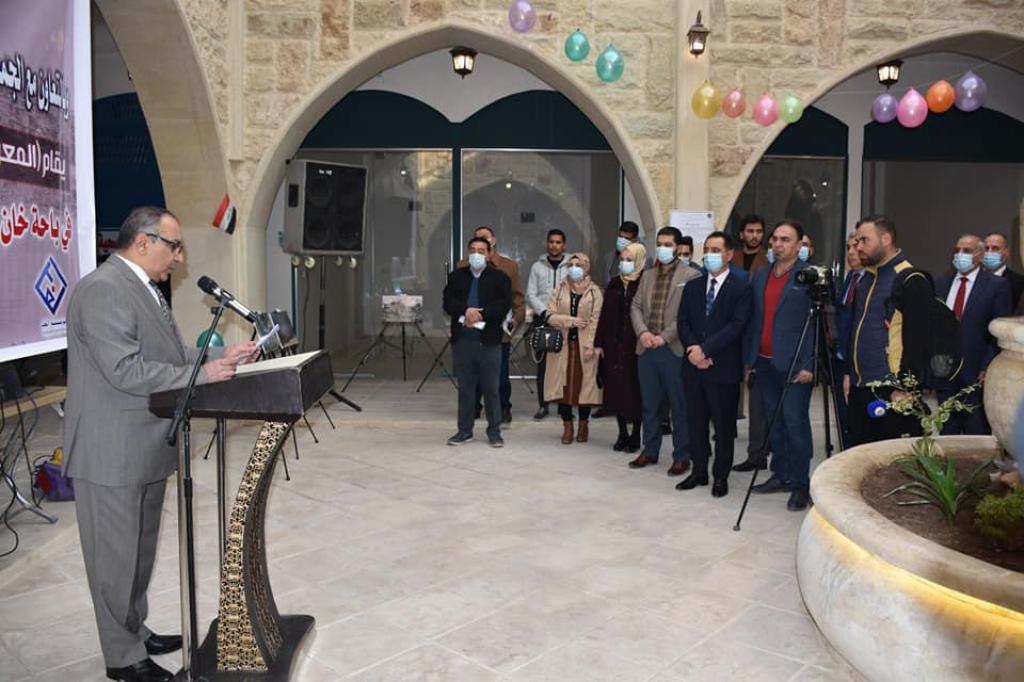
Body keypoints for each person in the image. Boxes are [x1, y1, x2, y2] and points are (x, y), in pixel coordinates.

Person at [64, 207, 255, 682]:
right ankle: (122, 658)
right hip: (111, 450)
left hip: (144, 445)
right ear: (143, 242)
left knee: (138, 553)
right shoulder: (103, 290)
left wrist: (218, 356)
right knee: (114, 559)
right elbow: (125, 370)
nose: (180, 257)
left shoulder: (143, 288)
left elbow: (168, 356)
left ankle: (134, 629)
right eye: (174, 246)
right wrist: (203, 375)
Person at [743, 220, 816, 511]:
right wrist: (750, 359)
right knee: (775, 424)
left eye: (785, 239)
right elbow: (754, 319)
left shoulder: (808, 276)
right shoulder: (761, 274)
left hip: (795, 364)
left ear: (799, 245)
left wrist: (809, 364)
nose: (777, 244)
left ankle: (800, 484)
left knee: (795, 424)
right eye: (775, 239)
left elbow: (817, 325)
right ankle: (781, 474)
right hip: (764, 361)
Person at [677, 232, 752, 498]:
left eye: (716, 250)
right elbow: (683, 322)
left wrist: (706, 350)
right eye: (707, 249)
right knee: (695, 423)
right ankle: (699, 471)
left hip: (723, 368)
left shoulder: (742, 288)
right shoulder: (693, 286)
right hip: (693, 366)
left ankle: (721, 476)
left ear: (729, 255)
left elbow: (736, 326)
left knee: (723, 427)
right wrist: (694, 350)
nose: (709, 255)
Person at [845, 215, 932, 446]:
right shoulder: (867, 279)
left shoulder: (910, 279)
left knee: (892, 459)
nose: (858, 247)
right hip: (861, 386)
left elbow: (919, 340)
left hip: (893, 390)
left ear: (886, 239)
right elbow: (857, 331)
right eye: (857, 242)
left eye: (864, 240)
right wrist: (849, 374)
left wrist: (905, 387)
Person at [628, 226, 700, 475]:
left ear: (678, 247)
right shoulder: (647, 275)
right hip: (646, 348)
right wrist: (643, 333)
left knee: (679, 406)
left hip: (673, 350)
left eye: (668, 245)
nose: (663, 248)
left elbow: (687, 315)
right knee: (650, 405)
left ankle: (682, 456)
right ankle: (650, 450)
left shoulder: (691, 275)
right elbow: (636, 306)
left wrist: (664, 337)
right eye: (659, 244)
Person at [935, 234, 1013, 434]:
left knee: (976, 431)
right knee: (946, 431)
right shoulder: (941, 283)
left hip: (976, 373)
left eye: (967, 251)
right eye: (957, 250)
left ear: (980, 255)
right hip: (944, 371)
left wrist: (988, 366)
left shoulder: (996, 285)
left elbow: (999, 331)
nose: (960, 255)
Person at [443, 236, 512, 447]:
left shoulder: (500, 278)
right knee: (465, 389)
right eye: (472, 250)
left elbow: (504, 304)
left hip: (489, 342)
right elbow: (448, 302)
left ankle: (494, 432)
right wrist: (466, 311)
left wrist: (481, 314)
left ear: (489, 254)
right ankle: (464, 431)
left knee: (491, 388)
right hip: (463, 340)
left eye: (481, 251)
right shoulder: (456, 277)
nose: (476, 254)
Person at [459, 226, 524, 424]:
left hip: (498, 328)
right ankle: (473, 407)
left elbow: (517, 297)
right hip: (471, 329)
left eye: (485, 238)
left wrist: (515, 320)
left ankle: (503, 408)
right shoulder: (463, 265)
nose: (481, 243)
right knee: (472, 371)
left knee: (499, 372)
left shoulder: (508, 266)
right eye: (477, 239)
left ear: (493, 241)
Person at [543, 253, 604, 444]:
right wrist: (571, 321)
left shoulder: (595, 292)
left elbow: (597, 320)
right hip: (562, 347)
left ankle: (583, 425)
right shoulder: (559, 289)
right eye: (571, 265)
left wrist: (591, 345)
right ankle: (567, 425)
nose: (574, 268)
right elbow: (549, 315)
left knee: (584, 388)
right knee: (563, 388)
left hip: (585, 348)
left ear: (586, 267)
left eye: (578, 265)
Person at [594, 242, 646, 453]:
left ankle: (636, 435)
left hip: (635, 346)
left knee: (634, 391)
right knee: (615, 390)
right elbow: (604, 316)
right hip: (613, 345)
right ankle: (622, 432)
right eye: (622, 260)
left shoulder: (644, 283)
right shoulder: (615, 284)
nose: (624, 264)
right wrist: (599, 343)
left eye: (629, 260)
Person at [733, 214, 771, 472]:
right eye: (750, 231)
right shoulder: (732, 258)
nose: (754, 235)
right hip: (733, 331)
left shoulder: (769, 261)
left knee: (760, 399)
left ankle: (761, 451)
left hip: (758, 332)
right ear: (742, 234)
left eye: (759, 231)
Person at [526, 229, 569, 420]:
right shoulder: (537, 267)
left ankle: (563, 405)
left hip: (565, 322)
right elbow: (530, 294)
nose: (554, 245)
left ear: (564, 245)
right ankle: (543, 405)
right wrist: (545, 313)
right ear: (547, 244)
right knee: (543, 366)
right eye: (551, 242)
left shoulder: (572, 266)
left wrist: (562, 315)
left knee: (563, 365)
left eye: (558, 242)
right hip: (543, 320)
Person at [833, 234, 864, 447]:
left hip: (857, 361)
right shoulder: (849, 278)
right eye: (848, 248)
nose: (851, 252)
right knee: (842, 414)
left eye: (856, 247)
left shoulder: (869, 281)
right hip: (840, 357)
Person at [982, 231, 1024, 311]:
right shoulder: (973, 278)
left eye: (995, 248)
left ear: (1006, 252)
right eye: (986, 248)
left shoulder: (1020, 282)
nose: (989, 252)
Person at [603, 220, 651, 285]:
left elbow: (645, 285)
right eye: (620, 236)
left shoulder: (645, 261)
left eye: (627, 238)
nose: (622, 241)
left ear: (635, 240)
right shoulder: (608, 257)